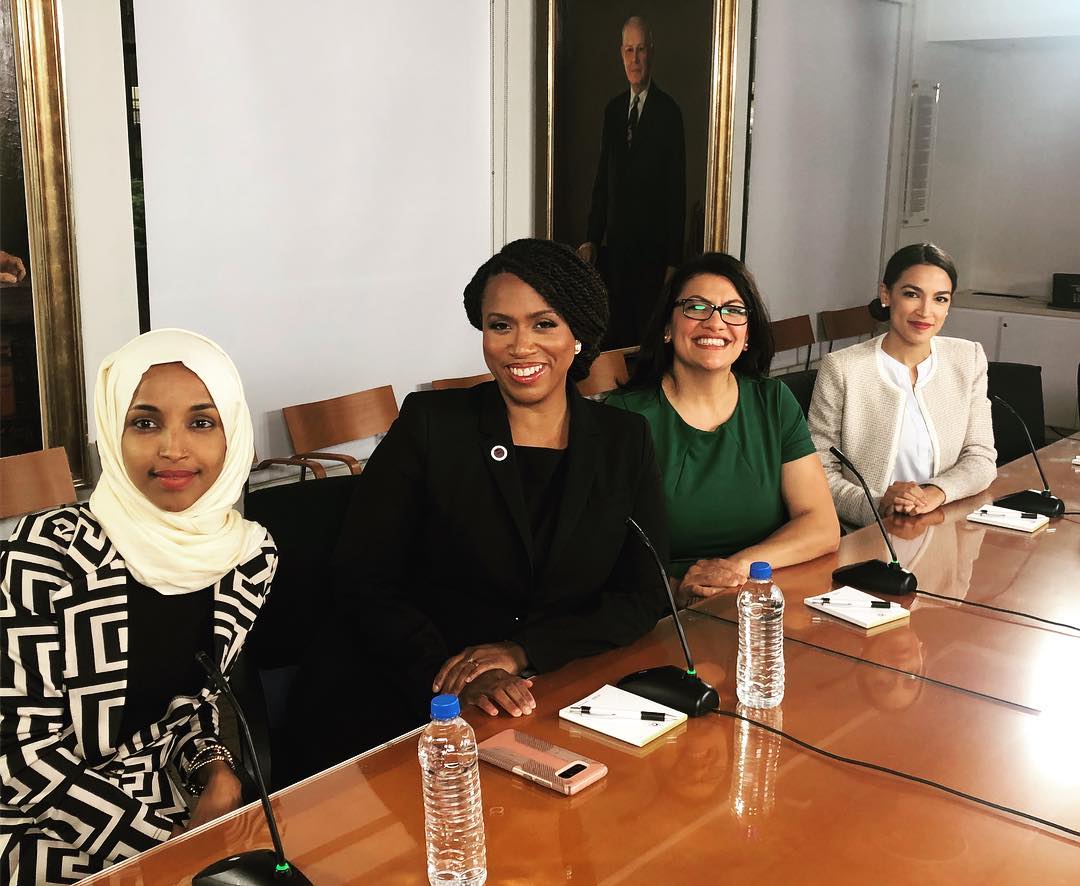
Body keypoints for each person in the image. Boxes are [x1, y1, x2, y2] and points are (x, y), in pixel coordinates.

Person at [295, 238, 668, 775]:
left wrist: (523, 651)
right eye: (500, 325)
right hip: (407, 699)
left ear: (578, 335)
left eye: (544, 324)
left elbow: (643, 594)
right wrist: (460, 676)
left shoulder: (623, 440)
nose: (520, 346)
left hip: (553, 694)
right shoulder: (432, 425)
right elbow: (363, 576)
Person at [0, 330, 276, 884]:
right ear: (111, 432)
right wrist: (159, 848)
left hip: (173, 808)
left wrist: (214, 767)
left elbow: (186, 712)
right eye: (145, 423)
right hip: (38, 833)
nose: (173, 448)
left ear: (233, 436)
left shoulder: (247, 557)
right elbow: (17, 761)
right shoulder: (43, 555)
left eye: (202, 422)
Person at [607, 252, 839, 602]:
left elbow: (821, 525)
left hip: (762, 594)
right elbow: (606, 550)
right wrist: (677, 592)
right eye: (696, 307)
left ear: (747, 335)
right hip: (661, 607)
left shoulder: (773, 401)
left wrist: (738, 568)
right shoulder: (624, 417)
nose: (715, 323)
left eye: (733, 310)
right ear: (667, 328)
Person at [808, 243, 996, 528]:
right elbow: (818, 470)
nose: (925, 311)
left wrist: (935, 493)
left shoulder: (967, 358)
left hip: (944, 523)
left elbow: (981, 457)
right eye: (912, 294)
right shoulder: (843, 368)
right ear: (886, 295)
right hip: (867, 534)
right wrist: (879, 504)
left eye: (940, 299)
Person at [577, 15, 686, 348]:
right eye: (628, 50)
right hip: (615, 254)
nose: (634, 59)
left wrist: (673, 262)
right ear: (621, 54)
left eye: (640, 50)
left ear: (651, 52)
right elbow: (603, 179)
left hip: (652, 259)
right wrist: (592, 238)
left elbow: (676, 192)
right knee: (613, 339)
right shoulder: (612, 111)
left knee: (644, 341)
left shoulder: (668, 113)